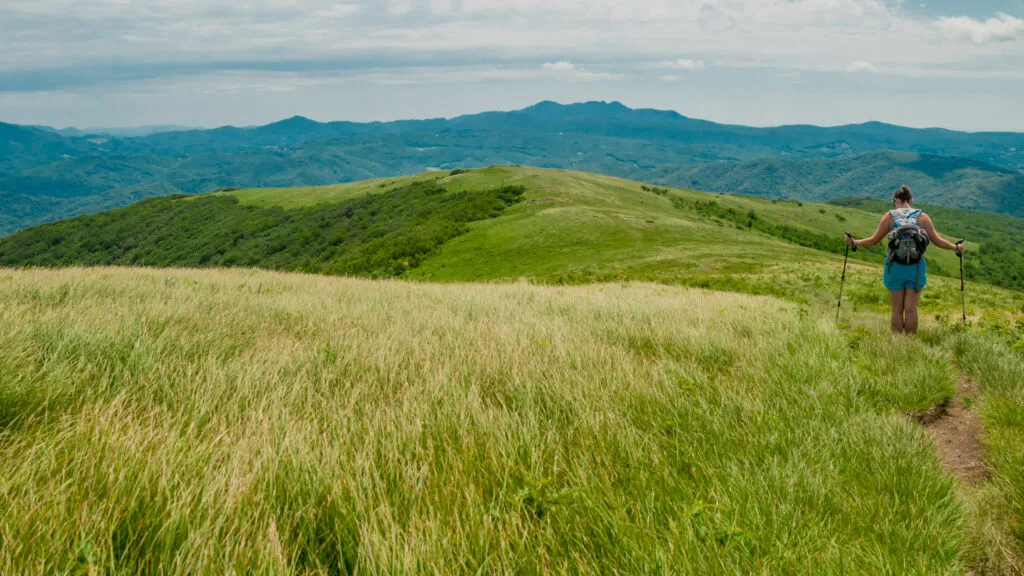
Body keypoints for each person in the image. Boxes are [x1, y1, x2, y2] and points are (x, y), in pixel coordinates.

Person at [845, 185, 964, 334]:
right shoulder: (923, 217)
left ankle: (898, 345)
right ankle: (910, 344)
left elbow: (873, 240)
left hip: (894, 266)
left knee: (896, 309)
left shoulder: (889, 216)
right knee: (911, 310)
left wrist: (854, 242)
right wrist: (955, 247)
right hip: (916, 268)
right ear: (911, 200)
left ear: (896, 200)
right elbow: (938, 241)